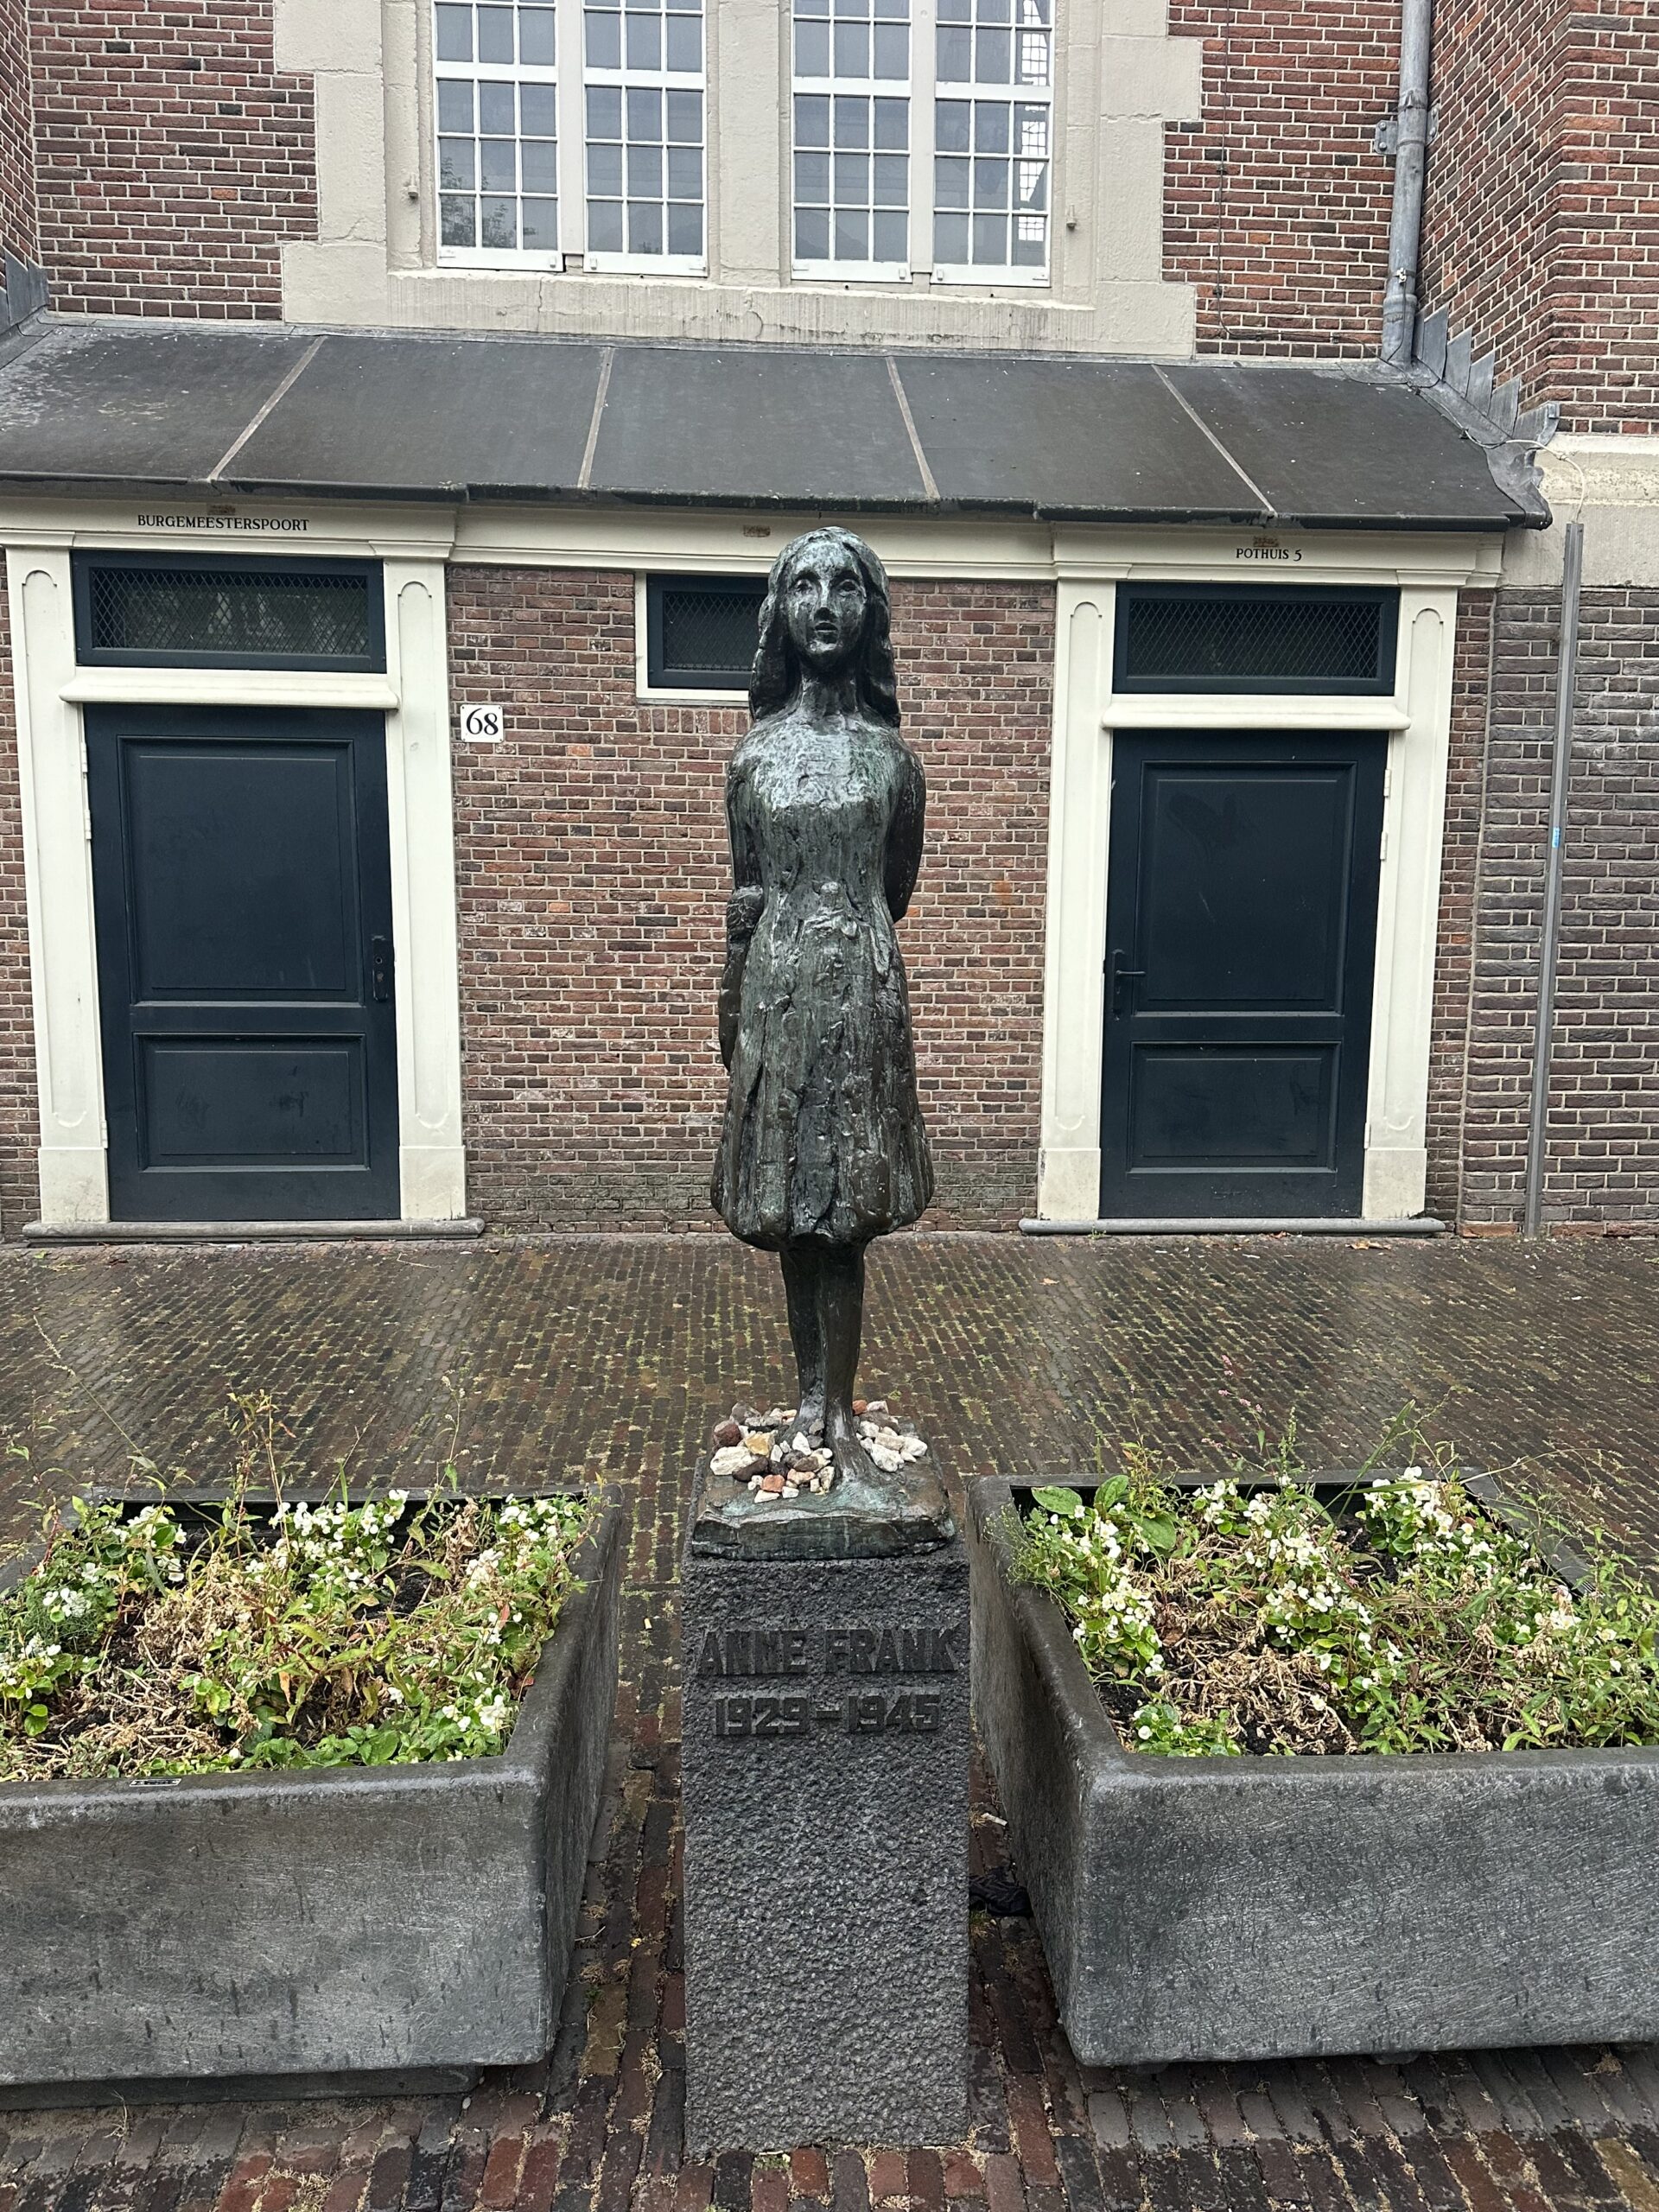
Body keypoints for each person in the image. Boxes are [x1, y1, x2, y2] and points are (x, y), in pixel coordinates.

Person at [711, 526, 933, 1493]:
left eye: (846, 585)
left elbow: (896, 886)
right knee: (791, 1205)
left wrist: (844, 944)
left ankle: (836, 1411)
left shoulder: (892, 761)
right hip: (777, 987)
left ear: (870, 613)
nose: (826, 603)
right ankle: (809, 1400)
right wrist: (736, 993)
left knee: (845, 1211)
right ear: (781, 613)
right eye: (804, 585)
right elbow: (748, 889)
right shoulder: (753, 759)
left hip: (859, 994)